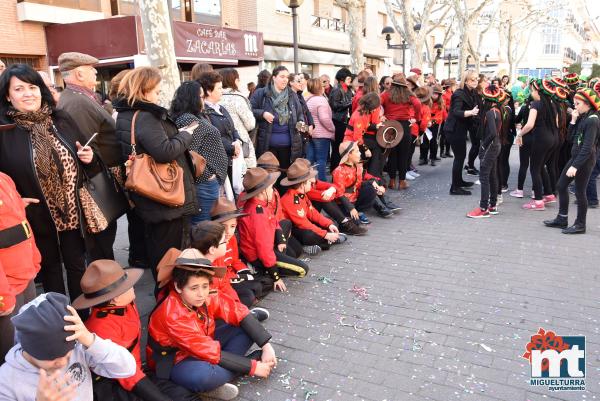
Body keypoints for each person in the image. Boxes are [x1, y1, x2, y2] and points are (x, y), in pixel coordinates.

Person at [0, 64, 97, 300]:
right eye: (19, 89)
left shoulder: (61, 120)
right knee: (50, 268)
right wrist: (13, 201)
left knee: (77, 266)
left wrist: (89, 157)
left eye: (32, 87)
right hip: (35, 215)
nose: (27, 94)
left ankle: (79, 318)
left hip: (71, 212)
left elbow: (85, 154)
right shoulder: (4, 132)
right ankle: (56, 320)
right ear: (8, 96)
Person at [147, 249, 276, 400]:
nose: (201, 294)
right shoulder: (172, 314)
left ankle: (220, 378)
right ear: (178, 287)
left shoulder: (207, 295)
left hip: (206, 344)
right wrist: (253, 367)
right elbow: (208, 350)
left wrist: (267, 346)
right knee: (203, 377)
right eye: (194, 288)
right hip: (176, 359)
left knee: (245, 328)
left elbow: (239, 311)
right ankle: (217, 380)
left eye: (205, 286)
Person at [114, 67, 198, 277]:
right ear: (144, 90)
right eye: (156, 91)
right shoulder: (146, 116)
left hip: (148, 194)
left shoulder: (126, 114)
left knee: (158, 248)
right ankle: (167, 300)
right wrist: (185, 135)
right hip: (164, 195)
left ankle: (165, 296)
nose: (158, 95)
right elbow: (164, 152)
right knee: (168, 254)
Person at [74, 260, 194, 401]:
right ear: (116, 298)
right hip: (117, 383)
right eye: (128, 286)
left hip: (138, 371)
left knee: (183, 395)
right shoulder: (100, 328)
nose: (133, 286)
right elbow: (124, 373)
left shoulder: (126, 304)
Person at [0, 292, 136, 401]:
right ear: (30, 350)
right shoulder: (6, 382)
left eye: (68, 355)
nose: (63, 362)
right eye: (54, 359)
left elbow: (127, 369)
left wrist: (91, 340)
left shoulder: (78, 350)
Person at [57, 52, 123, 262]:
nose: (96, 73)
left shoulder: (81, 98)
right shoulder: (77, 102)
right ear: (79, 73)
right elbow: (86, 147)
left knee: (104, 238)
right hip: (95, 183)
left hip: (100, 179)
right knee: (101, 241)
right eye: (92, 69)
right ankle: (105, 283)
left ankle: (108, 278)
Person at [238, 168, 309, 291]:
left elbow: (274, 220)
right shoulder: (257, 213)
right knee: (303, 270)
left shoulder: (259, 203)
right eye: (270, 188)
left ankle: (272, 262)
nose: (273, 190)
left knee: (286, 228)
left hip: (267, 245)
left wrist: (280, 238)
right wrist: (275, 276)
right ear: (262, 191)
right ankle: (264, 270)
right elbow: (263, 248)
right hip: (258, 255)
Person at [170, 80, 228, 224]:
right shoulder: (188, 119)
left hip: (207, 183)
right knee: (203, 227)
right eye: (201, 96)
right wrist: (208, 176)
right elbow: (189, 154)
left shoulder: (195, 116)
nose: (203, 99)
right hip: (204, 185)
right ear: (193, 98)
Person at [544, 87, 599, 234]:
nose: (575, 106)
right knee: (561, 186)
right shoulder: (583, 117)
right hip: (576, 158)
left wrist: (575, 166)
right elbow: (569, 139)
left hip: (584, 161)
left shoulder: (592, 121)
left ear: (588, 104)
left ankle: (580, 224)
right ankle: (562, 218)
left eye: (578, 103)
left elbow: (587, 147)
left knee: (580, 191)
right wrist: (573, 121)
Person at [0, 172, 41, 363]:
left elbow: (23, 224)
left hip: (25, 276)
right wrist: (3, 298)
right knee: (9, 356)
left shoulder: (4, 178)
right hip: (6, 287)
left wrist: (34, 258)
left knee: (29, 342)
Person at [210, 198, 270, 308]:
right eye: (224, 227)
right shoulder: (213, 245)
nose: (228, 232)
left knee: (266, 282)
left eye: (232, 226)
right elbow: (218, 275)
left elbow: (235, 260)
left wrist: (245, 272)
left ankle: (250, 299)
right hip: (224, 281)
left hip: (232, 276)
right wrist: (238, 276)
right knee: (250, 293)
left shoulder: (232, 238)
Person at [281, 159, 344, 253]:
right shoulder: (291, 199)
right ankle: (325, 241)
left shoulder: (301, 194)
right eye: (309, 182)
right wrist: (325, 235)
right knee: (308, 234)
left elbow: (312, 212)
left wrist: (328, 223)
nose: (312, 183)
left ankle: (326, 240)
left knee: (321, 227)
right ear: (302, 184)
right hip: (291, 231)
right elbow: (303, 224)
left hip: (299, 225)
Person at [516, 79, 559, 210]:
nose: (531, 92)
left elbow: (529, 124)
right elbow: (556, 123)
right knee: (541, 167)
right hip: (553, 138)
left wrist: (519, 134)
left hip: (541, 139)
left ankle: (538, 201)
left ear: (538, 91)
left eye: (532, 90)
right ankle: (549, 194)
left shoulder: (535, 104)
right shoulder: (552, 104)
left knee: (534, 169)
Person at [250, 66, 305, 170]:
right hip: (267, 146)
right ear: (274, 78)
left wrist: (301, 123)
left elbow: (299, 114)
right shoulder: (261, 93)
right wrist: (263, 114)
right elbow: (250, 110)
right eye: (282, 76)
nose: (285, 79)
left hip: (290, 146)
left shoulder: (292, 95)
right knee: (270, 177)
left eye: (287, 77)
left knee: (285, 177)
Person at [198, 71, 243, 185]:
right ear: (208, 91)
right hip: (218, 162)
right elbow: (213, 135)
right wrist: (232, 148)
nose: (222, 91)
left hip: (232, 159)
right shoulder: (203, 112)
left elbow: (233, 129)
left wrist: (238, 141)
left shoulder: (221, 108)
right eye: (219, 88)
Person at [466, 86, 504, 218]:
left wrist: (483, 146)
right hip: (496, 146)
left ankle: (483, 208)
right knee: (492, 176)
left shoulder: (489, 112)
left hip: (490, 147)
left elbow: (492, 132)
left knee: (484, 177)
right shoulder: (497, 110)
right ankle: (492, 205)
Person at [381, 75, 422, 190]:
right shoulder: (408, 94)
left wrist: (382, 116)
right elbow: (418, 104)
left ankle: (392, 181)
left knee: (392, 154)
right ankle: (402, 181)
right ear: (405, 85)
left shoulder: (386, 94)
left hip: (391, 125)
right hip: (405, 125)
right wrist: (416, 118)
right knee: (404, 154)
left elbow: (377, 102)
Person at [443, 69, 481, 195]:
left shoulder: (473, 92)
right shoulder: (459, 94)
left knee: (461, 156)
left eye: (477, 79)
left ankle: (459, 182)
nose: (475, 81)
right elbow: (455, 111)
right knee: (459, 158)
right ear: (466, 81)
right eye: (472, 79)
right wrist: (470, 112)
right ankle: (454, 187)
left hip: (461, 129)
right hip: (454, 129)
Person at [332, 141, 387, 224]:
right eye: (357, 151)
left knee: (371, 188)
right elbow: (340, 194)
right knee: (355, 222)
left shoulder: (357, 166)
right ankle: (350, 213)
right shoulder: (339, 171)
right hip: (343, 203)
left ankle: (359, 211)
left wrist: (378, 185)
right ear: (349, 155)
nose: (360, 154)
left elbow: (364, 179)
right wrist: (351, 208)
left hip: (355, 198)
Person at [220, 68, 257, 170]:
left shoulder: (215, 98)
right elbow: (250, 124)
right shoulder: (238, 98)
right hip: (241, 145)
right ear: (235, 81)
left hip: (221, 146)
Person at [305, 77, 334, 181]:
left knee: (310, 160)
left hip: (311, 133)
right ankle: (322, 182)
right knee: (321, 160)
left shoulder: (307, 99)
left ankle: (307, 181)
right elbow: (324, 118)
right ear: (319, 87)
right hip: (322, 135)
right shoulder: (321, 100)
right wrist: (332, 128)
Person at [328, 67, 354, 171]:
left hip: (345, 121)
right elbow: (334, 106)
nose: (350, 80)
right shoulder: (337, 89)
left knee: (343, 146)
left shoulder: (347, 89)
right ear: (342, 79)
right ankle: (334, 169)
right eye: (348, 78)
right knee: (337, 147)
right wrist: (349, 103)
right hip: (337, 121)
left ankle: (340, 169)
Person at [421, 84, 446, 166]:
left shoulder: (441, 103)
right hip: (426, 123)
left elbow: (439, 117)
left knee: (433, 142)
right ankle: (424, 158)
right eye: (433, 93)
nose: (434, 95)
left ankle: (433, 158)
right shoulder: (426, 101)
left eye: (437, 94)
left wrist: (431, 121)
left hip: (435, 125)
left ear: (439, 95)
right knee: (424, 142)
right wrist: (426, 121)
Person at [289, 72, 315, 152]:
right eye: (298, 81)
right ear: (291, 83)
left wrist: (311, 125)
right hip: (296, 135)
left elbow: (307, 112)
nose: (301, 83)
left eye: (301, 80)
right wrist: (307, 129)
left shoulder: (299, 95)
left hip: (303, 134)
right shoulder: (289, 97)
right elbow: (292, 121)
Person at [439, 78, 456, 158]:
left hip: (451, 115)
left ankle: (447, 151)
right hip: (445, 117)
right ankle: (442, 152)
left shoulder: (452, 93)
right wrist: (446, 118)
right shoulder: (445, 94)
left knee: (449, 135)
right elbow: (443, 107)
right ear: (451, 86)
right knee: (443, 135)